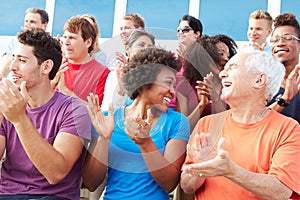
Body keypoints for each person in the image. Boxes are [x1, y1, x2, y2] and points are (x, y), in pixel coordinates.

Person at [180, 48, 300, 199]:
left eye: (232, 68)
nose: (222, 74)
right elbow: (186, 186)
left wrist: (231, 171)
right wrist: (200, 168)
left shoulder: (288, 129)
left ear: (259, 80)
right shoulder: (206, 124)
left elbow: (282, 190)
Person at [82, 48, 190, 200]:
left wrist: (145, 142)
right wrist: (104, 138)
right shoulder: (108, 119)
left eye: (174, 85)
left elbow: (169, 184)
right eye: (168, 83)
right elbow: (91, 182)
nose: (172, 92)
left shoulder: (177, 122)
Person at [0, 28, 91, 200]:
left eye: (22, 60)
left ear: (46, 67)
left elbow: (55, 173)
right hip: (7, 194)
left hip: (52, 196)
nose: (12, 67)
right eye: (13, 58)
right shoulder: (7, 104)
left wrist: (19, 119)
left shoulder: (73, 109)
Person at [52, 15, 110, 105]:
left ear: (88, 42)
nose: (66, 42)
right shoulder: (56, 64)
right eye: (65, 37)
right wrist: (52, 83)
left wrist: (66, 91)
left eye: (72, 38)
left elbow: (95, 112)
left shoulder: (102, 73)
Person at [102, 30, 155, 110]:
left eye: (150, 47)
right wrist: (120, 90)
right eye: (141, 45)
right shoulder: (116, 75)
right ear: (128, 49)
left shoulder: (156, 76)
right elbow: (107, 110)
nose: (146, 49)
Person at [268, 13, 300, 123]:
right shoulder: (261, 82)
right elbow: (256, 121)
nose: (280, 43)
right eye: (275, 40)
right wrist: (284, 99)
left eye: (287, 38)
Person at [0, 7, 49, 77]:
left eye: (32, 22)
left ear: (44, 25)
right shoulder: (14, 43)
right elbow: (3, 68)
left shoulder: (49, 45)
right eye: (26, 21)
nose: (27, 25)